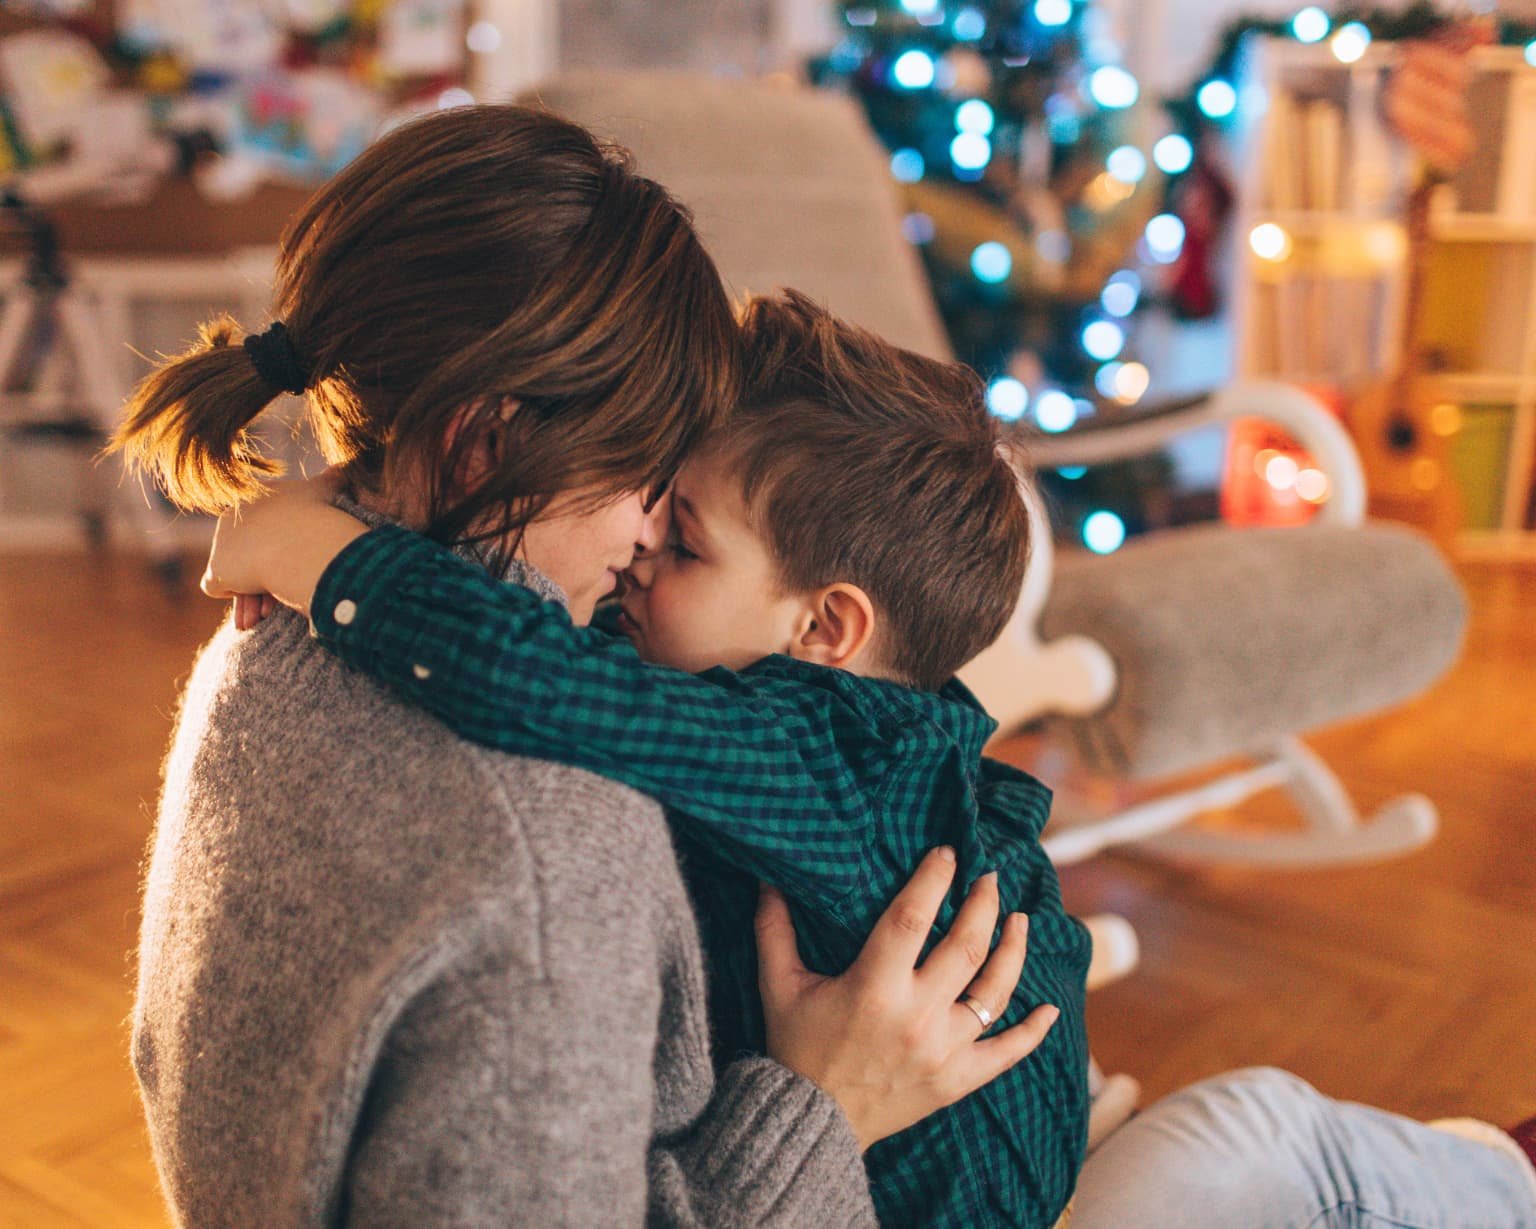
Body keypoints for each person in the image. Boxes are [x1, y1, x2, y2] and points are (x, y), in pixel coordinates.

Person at [108, 103, 1058, 1227]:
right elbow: (540, 677)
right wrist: (826, 1109)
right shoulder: (550, 849)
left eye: (682, 516)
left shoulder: (261, 645)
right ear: (484, 439)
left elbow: (534, 657)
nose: (649, 531)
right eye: (649, 471)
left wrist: (336, 526)